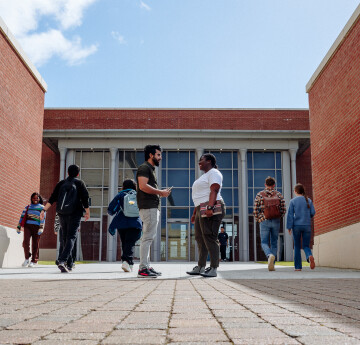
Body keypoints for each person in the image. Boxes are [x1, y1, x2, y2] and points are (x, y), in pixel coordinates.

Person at [41, 164, 90, 273]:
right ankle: (62, 261)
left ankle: (68, 263)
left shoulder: (61, 183)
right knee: (71, 237)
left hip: (62, 213)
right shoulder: (79, 183)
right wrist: (87, 212)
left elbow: (52, 198)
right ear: (78, 173)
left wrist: (44, 210)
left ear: (67, 173)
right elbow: (85, 198)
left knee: (65, 238)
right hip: (75, 212)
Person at [187, 153, 225, 278]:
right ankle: (201, 266)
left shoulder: (214, 173)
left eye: (201, 160)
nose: (199, 162)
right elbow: (199, 196)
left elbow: (214, 190)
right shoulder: (205, 175)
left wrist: (210, 207)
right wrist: (194, 214)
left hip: (210, 207)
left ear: (209, 161)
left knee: (210, 237)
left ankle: (214, 268)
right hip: (200, 209)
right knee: (199, 238)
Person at [136, 145, 171, 278]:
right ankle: (143, 269)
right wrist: (160, 192)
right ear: (151, 155)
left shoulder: (150, 169)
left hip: (151, 207)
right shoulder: (144, 168)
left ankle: (146, 266)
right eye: (158, 155)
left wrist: (160, 193)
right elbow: (143, 186)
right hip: (148, 207)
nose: (160, 157)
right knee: (147, 238)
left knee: (148, 238)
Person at [108, 179, 142, 273]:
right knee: (130, 243)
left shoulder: (120, 195)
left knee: (125, 243)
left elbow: (111, 209)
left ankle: (127, 263)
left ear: (123, 186)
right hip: (135, 223)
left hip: (122, 223)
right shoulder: (138, 195)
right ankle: (127, 262)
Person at [253, 176, 286, 271]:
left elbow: (255, 210)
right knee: (274, 243)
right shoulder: (279, 194)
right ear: (274, 185)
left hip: (264, 220)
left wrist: (259, 219)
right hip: (275, 220)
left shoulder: (260, 194)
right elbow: (283, 209)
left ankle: (269, 255)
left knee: (264, 242)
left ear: (265, 184)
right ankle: (273, 264)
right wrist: (278, 217)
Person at [287, 183, 316, 271]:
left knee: (297, 246)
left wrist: (289, 227)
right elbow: (313, 212)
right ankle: (309, 256)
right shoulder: (309, 200)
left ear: (295, 191)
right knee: (306, 245)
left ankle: (298, 267)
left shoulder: (293, 201)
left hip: (296, 226)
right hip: (307, 225)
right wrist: (307, 217)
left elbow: (290, 215)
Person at [17, 193, 46, 267]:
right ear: (31, 199)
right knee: (25, 242)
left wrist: (41, 228)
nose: (35, 199)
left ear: (39, 199)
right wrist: (19, 226)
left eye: (37, 198)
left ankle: (33, 260)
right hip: (28, 226)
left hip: (37, 227)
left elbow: (43, 218)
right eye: (34, 198)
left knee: (35, 244)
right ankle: (27, 258)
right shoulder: (27, 207)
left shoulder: (42, 208)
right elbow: (22, 216)